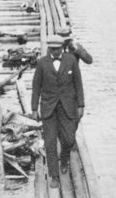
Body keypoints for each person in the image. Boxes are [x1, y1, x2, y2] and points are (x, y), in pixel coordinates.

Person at [31, 34, 86, 188]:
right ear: (49, 48)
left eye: (58, 49)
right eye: (52, 49)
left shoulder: (71, 60)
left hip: (67, 106)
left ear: (62, 47)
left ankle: (65, 156)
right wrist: (34, 109)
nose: (55, 52)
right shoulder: (42, 63)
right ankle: (54, 175)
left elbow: (78, 84)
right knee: (49, 142)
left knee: (68, 139)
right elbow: (36, 87)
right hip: (48, 108)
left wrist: (81, 105)